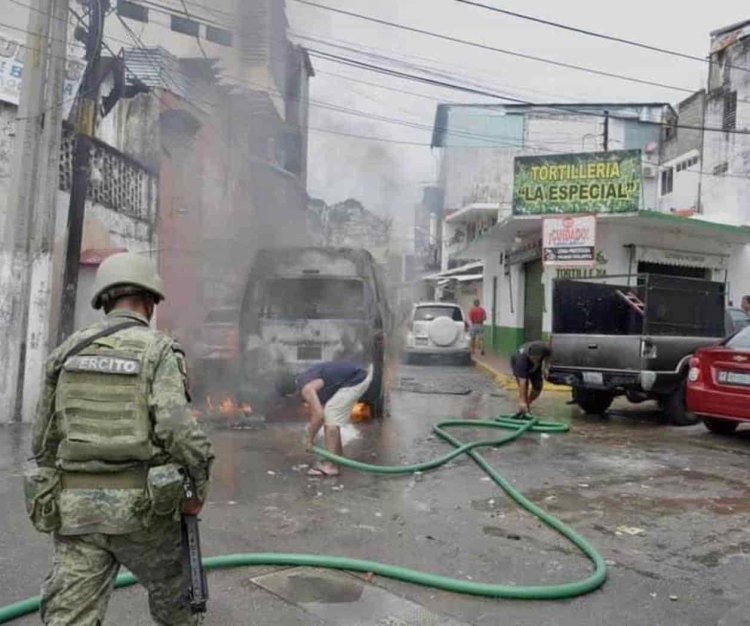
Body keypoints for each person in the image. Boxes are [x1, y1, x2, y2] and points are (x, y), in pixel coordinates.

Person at [29, 252, 214, 625]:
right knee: (175, 608)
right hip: (144, 513)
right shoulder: (158, 350)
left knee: (68, 617)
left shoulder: (67, 351)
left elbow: (43, 441)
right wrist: (198, 488)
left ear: (104, 301)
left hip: (77, 513)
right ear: (149, 301)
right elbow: (178, 430)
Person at [277, 360, 373, 477]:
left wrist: (309, 440)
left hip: (357, 379)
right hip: (358, 375)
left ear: (291, 394)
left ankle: (331, 466)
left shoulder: (306, 388)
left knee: (331, 416)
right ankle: (336, 458)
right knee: (330, 415)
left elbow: (319, 415)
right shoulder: (305, 377)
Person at [510, 341, 552, 416]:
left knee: (538, 387)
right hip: (517, 362)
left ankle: (528, 403)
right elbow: (522, 382)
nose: (534, 360)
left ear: (540, 355)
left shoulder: (545, 348)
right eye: (532, 358)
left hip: (536, 367)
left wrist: (546, 367)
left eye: (536, 358)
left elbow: (549, 354)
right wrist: (522, 401)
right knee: (524, 387)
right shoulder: (521, 359)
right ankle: (524, 407)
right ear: (529, 355)